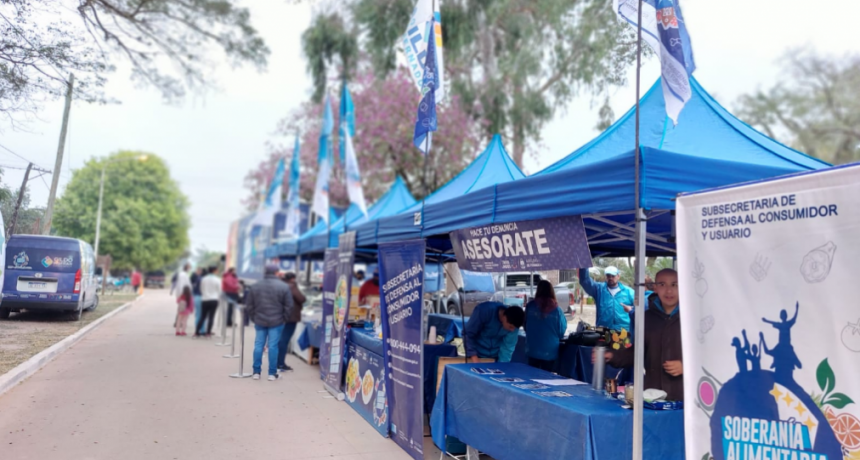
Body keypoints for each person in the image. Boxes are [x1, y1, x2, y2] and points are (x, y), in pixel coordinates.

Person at [598, 268, 684, 401]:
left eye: (674, 284)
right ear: (655, 288)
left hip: (685, 398)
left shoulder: (692, 318)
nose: (668, 290)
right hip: (653, 396)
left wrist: (685, 366)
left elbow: (710, 353)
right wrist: (612, 356)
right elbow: (637, 352)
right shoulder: (647, 318)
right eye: (662, 284)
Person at [244, 264, 294, 381]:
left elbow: (249, 305)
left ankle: (256, 372)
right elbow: (289, 305)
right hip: (277, 321)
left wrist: (253, 317)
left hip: (260, 320)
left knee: (258, 345)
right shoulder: (283, 286)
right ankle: (272, 373)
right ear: (276, 273)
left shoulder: (255, 286)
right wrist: (284, 318)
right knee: (273, 346)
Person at [524, 280, 568, 371]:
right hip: (550, 352)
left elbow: (525, 326)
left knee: (531, 377)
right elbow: (561, 332)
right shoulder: (557, 310)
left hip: (532, 349)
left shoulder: (530, 306)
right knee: (546, 379)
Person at [578, 266, 633, 331]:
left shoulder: (629, 292)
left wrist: (631, 309)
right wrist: (584, 264)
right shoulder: (598, 289)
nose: (610, 278)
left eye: (613, 276)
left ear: (618, 276)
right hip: (603, 331)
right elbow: (585, 281)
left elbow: (640, 308)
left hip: (623, 331)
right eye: (608, 276)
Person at [277, 272, 306, 372]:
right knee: (284, 340)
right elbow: (301, 298)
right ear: (292, 279)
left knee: (280, 339)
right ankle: (280, 363)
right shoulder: (292, 286)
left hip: (280, 315)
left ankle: (277, 362)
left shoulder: (279, 285)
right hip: (291, 317)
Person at [196, 266, 221, 337]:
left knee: (203, 316)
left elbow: (201, 289)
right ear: (214, 271)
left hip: (205, 299)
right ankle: (208, 332)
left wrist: (205, 294)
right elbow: (219, 290)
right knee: (211, 316)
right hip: (214, 299)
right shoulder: (217, 279)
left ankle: (197, 331)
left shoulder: (204, 279)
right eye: (217, 270)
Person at [190, 267, 205, 332]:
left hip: (195, 296)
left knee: (198, 314)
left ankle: (199, 329)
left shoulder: (196, 278)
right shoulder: (200, 279)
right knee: (200, 314)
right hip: (199, 296)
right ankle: (200, 330)